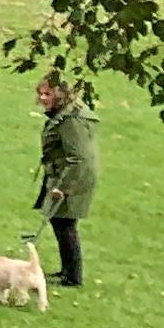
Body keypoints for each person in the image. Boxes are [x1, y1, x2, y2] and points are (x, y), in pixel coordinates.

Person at [35, 77, 97, 290]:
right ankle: (67, 271)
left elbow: (78, 157)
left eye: (47, 94)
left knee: (65, 224)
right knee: (60, 222)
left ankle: (73, 276)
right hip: (64, 174)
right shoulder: (64, 115)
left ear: (60, 95)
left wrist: (63, 187)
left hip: (72, 178)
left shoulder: (70, 120)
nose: (42, 98)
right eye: (40, 93)